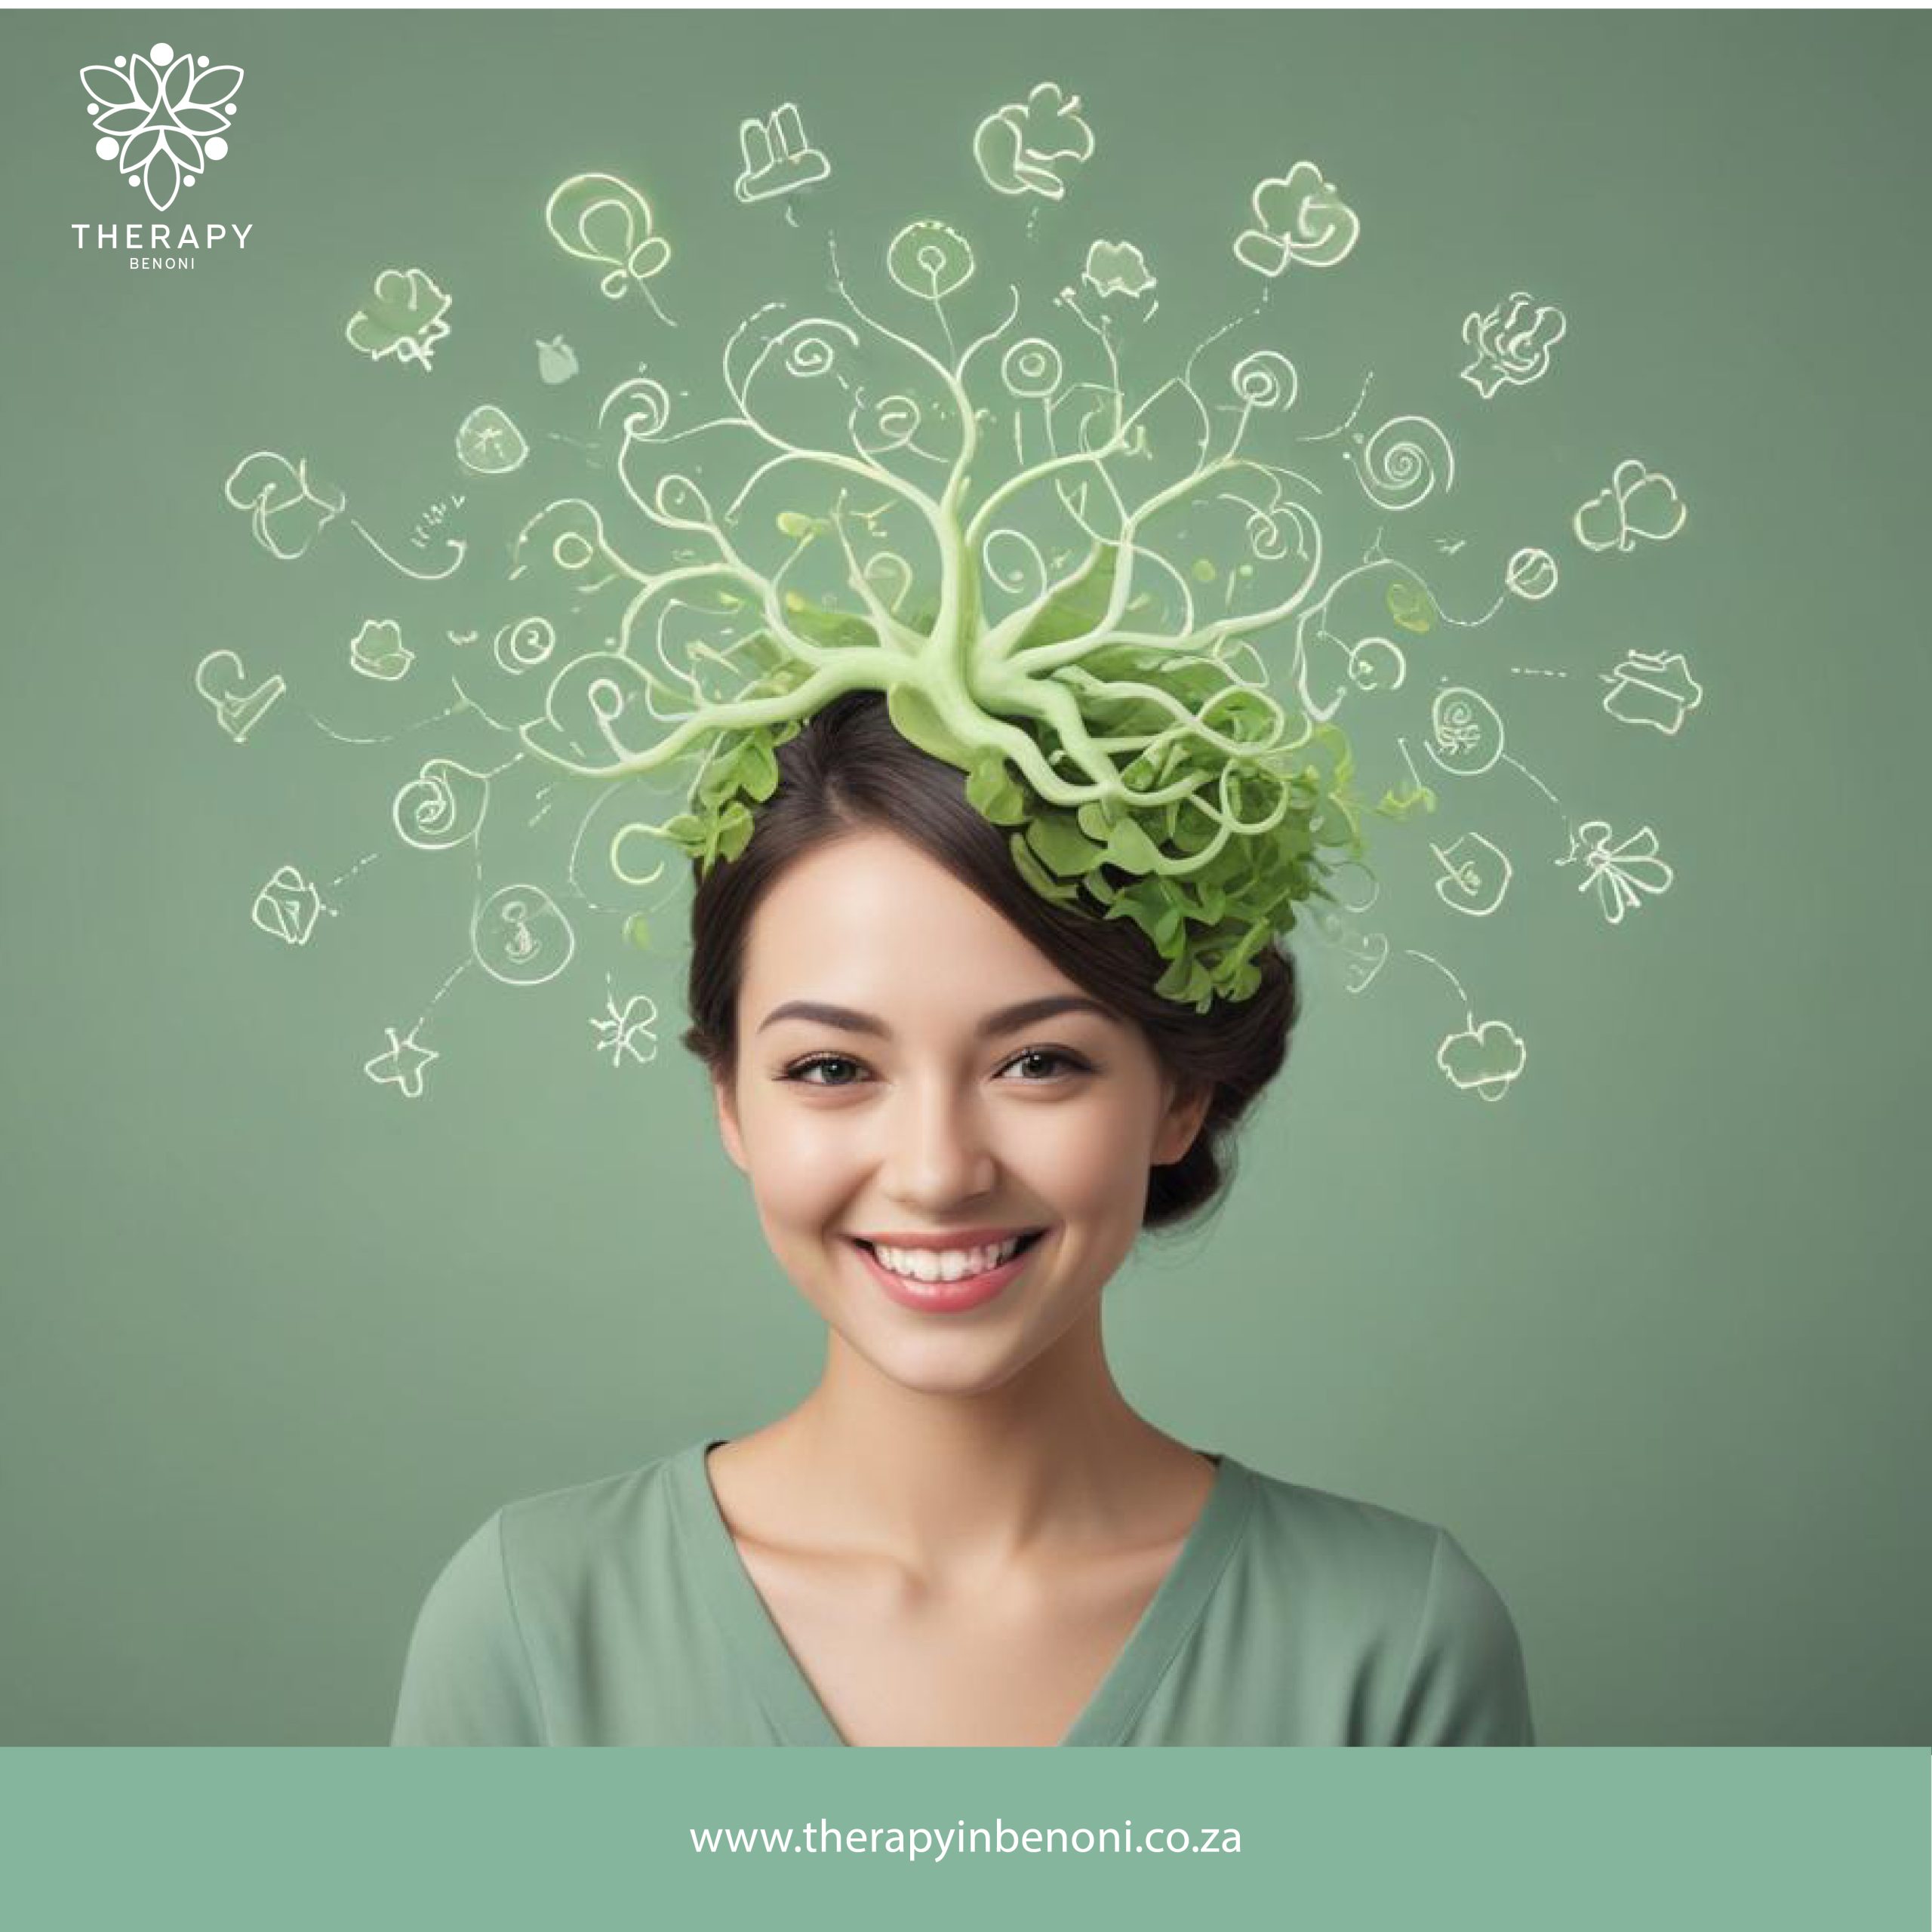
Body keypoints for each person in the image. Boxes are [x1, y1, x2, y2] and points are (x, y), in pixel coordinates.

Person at [390, 691, 1536, 1746]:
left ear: (1181, 1095)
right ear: (730, 1100)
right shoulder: (532, 1622)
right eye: (834, 1066)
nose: (937, 1173)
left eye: (1039, 1062)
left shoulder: (1394, 1645)